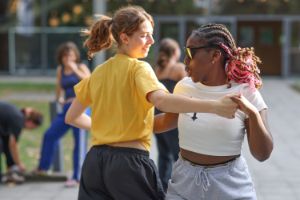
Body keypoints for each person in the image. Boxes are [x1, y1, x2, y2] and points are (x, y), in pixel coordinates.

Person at [65, 6, 238, 200]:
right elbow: (162, 101)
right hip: (129, 165)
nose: (151, 41)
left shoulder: (98, 72)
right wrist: (214, 106)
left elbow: (72, 117)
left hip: (95, 164)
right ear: (124, 38)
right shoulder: (139, 68)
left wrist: (106, 128)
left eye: (151, 35)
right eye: (145, 35)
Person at [154, 23, 274, 200]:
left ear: (215, 55)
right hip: (183, 183)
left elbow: (262, 154)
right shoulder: (183, 87)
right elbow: (165, 122)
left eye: (190, 53)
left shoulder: (247, 92)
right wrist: (123, 121)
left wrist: (253, 114)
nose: (185, 61)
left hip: (230, 186)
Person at [35, 41, 91, 187]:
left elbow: (90, 83)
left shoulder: (81, 67)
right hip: (66, 108)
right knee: (50, 134)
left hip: (81, 108)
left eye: (71, 55)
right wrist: (59, 98)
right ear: (61, 57)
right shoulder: (60, 70)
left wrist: (75, 70)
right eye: (65, 56)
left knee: (79, 142)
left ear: (75, 56)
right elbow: (59, 88)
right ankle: (43, 168)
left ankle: (77, 177)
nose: (68, 59)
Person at [154, 38, 186, 191]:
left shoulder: (157, 70)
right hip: (171, 115)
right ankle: (181, 187)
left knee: (163, 153)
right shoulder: (178, 68)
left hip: (156, 114)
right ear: (175, 52)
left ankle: (162, 187)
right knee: (177, 153)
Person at [0, 101, 43, 183]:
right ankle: (12, 169)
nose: (30, 130)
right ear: (31, 123)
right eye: (33, 128)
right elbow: (13, 145)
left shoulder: (18, 115)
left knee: (5, 141)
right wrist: (19, 163)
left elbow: (9, 143)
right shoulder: (18, 121)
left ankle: (11, 170)